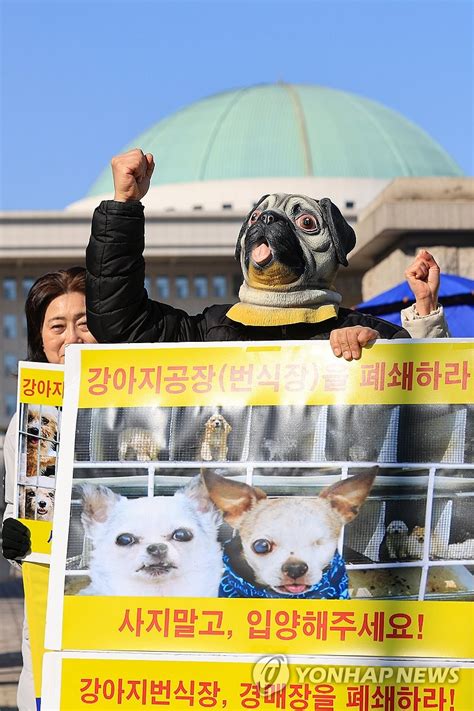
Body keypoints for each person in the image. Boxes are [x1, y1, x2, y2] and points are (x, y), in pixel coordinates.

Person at [85, 149, 446, 353]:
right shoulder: (208, 331)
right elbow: (119, 324)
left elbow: (434, 402)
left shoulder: (361, 331)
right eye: (259, 217)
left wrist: (378, 351)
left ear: (334, 250)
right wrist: (125, 206)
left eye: (305, 223)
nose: (269, 222)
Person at [1, 266, 96, 711]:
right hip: (54, 607)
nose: (72, 337)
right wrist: (12, 535)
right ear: (40, 340)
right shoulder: (28, 421)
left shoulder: (147, 400)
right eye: (57, 326)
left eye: (85, 322)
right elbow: (17, 504)